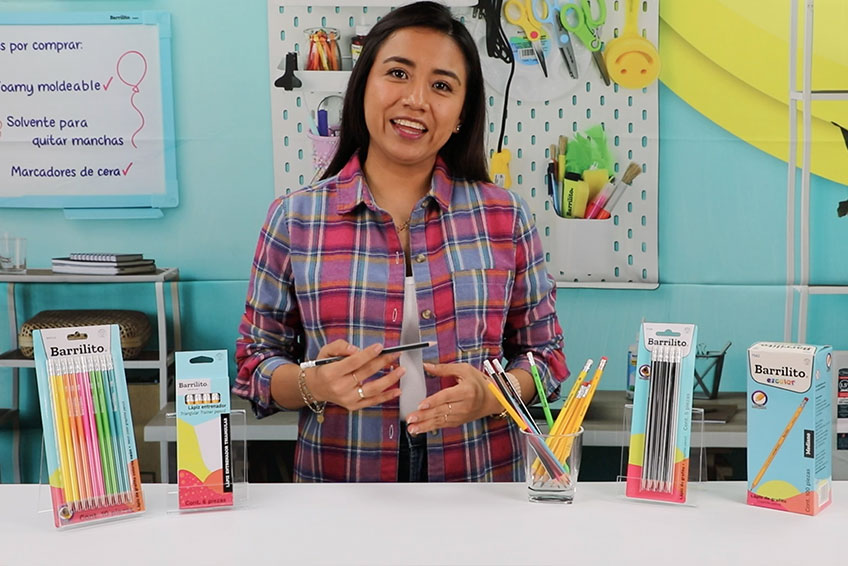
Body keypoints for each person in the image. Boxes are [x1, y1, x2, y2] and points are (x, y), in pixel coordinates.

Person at [234, 1, 568, 482]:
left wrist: (493, 395)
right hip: (343, 487)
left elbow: (545, 357)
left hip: (479, 485)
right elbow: (254, 364)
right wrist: (315, 383)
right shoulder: (295, 218)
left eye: (442, 86)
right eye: (397, 73)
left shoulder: (505, 217)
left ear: (461, 113)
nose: (416, 99)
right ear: (363, 86)